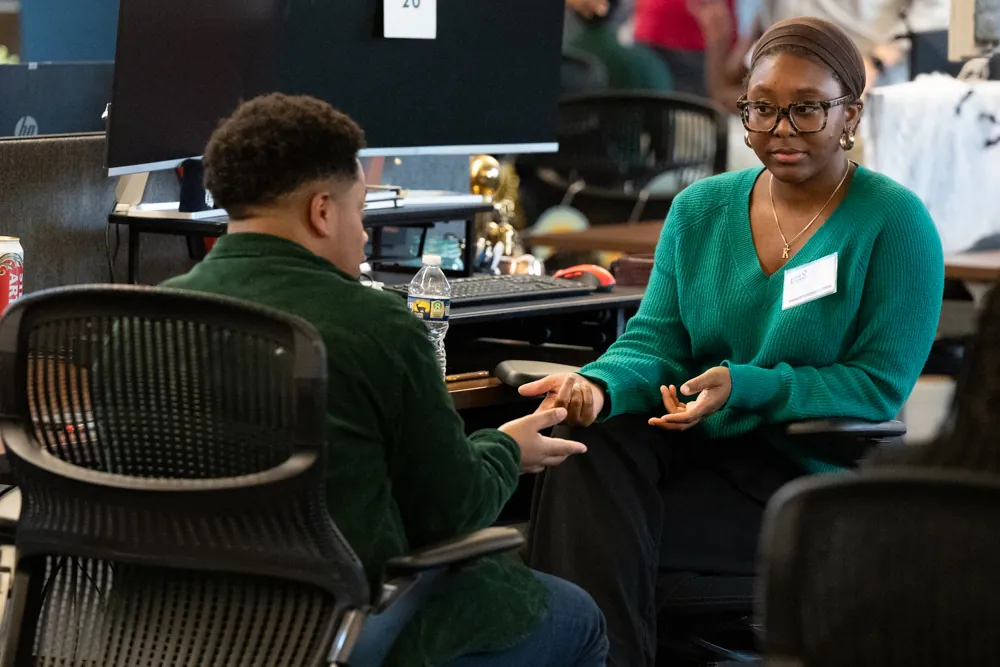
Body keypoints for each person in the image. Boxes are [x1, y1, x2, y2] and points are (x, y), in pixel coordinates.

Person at [521, 18, 944, 667]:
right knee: (586, 442)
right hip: (694, 447)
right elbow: (655, 342)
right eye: (762, 109)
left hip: (800, 469)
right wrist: (597, 386)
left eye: (807, 109)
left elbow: (876, 387)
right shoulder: (700, 208)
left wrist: (742, 385)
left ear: (850, 115)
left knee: (590, 540)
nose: (781, 129)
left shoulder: (894, 220)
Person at [162, 94, 608, 667]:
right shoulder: (375, 325)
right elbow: (450, 512)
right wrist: (505, 449)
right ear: (322, 212)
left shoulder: (142, 320)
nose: (365, 235)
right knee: (579, 619)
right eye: (360, 211)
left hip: (173, 626)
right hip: (333, 626)